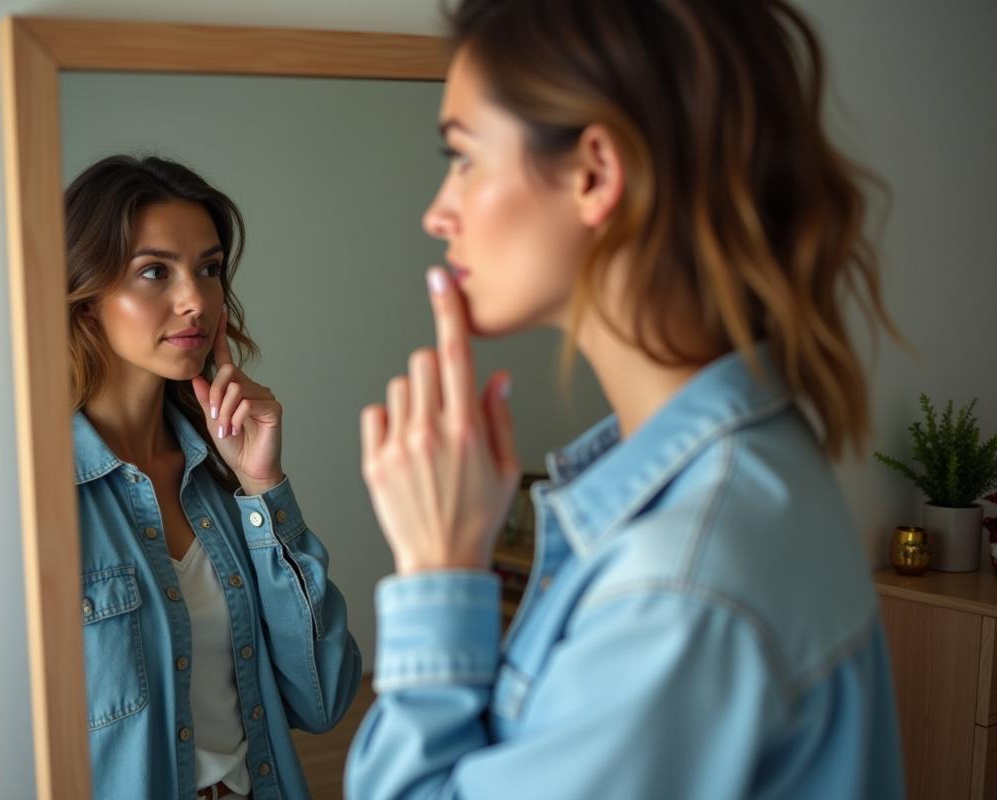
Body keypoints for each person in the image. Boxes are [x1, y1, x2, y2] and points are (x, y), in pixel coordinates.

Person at [345, 0, 904, 798]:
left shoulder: (675, 592)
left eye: (463, 156)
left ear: (596, 174)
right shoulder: (753, 466)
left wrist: (440, 571)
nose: (439, 212)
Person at [65, 154, 361, 800]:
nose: (195, 301)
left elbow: (324, 699)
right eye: (155, 271)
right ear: (87, 299)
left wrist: (264, 485)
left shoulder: (222, 484)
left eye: (208, 269)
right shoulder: (41, 500)